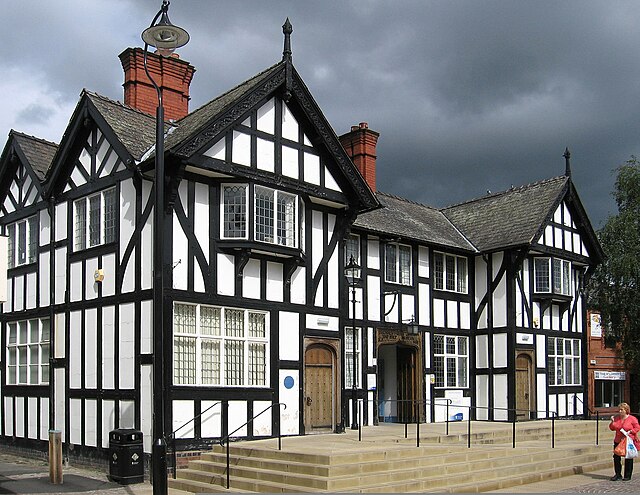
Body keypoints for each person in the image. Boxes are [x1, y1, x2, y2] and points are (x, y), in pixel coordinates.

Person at [609, 402, 640, 481]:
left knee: (628, 457)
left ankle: (627, 475)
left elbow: (637, 427)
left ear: (626, 410)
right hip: (618, 440)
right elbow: (612, 428)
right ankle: (618, 474)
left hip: (628, 440)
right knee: (616, 457)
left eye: (621, 410)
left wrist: (631, 431)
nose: (620, 411)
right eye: (619, 410)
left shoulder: (632, 419)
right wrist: (612, 422)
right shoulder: (617, 418)